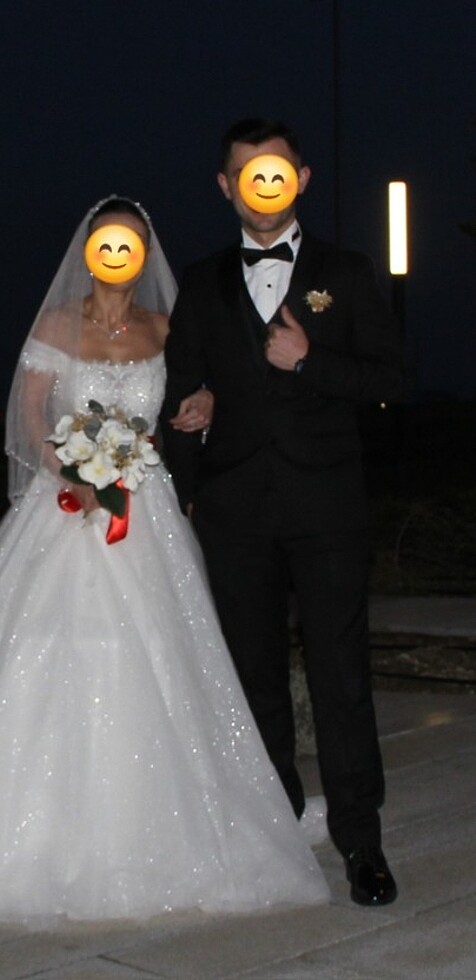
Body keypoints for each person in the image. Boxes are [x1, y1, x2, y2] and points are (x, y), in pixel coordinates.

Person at [0, 196, 328, 926]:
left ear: (144, 252)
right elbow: (32, 415)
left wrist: (200, 403)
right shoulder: (56, 324)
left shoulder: (166, 328)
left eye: (131, 242)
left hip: (146, 509)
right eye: (108, 242)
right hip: (68, 505)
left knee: (161, 652)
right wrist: (74, 471)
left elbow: (201, 391)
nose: (119, 254)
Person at [161, 120, 403, 907]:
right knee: (253, 677)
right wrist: (188, 452)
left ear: (300, 177)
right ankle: (277, 823)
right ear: (226, 187)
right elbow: (181, 390)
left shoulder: (347, 271)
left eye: (276, 169)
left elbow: (387, 378)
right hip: (233, 510)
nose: (261, 185)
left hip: (327, 505)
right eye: (244, 172)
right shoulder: (201, 282)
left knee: (340, 674)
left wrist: (310, 362)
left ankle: (361, 841)